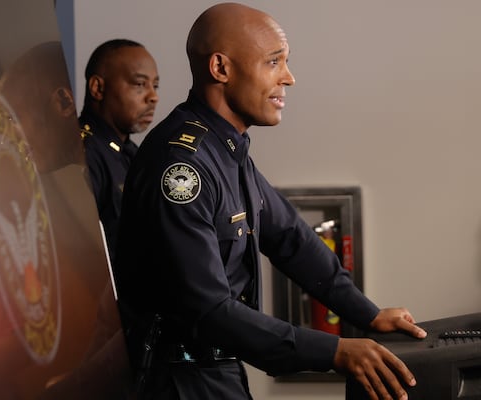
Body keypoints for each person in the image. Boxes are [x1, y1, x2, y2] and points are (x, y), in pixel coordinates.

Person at [113, 3, 427, 400]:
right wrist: (334, 351)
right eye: (273, 61)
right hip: (178, 381)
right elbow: (208, 311)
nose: (289, 77)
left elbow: (290, 237)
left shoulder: (226, 148)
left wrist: (367, 312)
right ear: (221, 69)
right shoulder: (180, 167)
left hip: (218, 371)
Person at [79, 39, 159, 261]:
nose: (153, 96)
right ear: (98, 88)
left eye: (155, 85)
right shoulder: (82, 154)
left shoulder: (131, 152)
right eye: (140, 84)